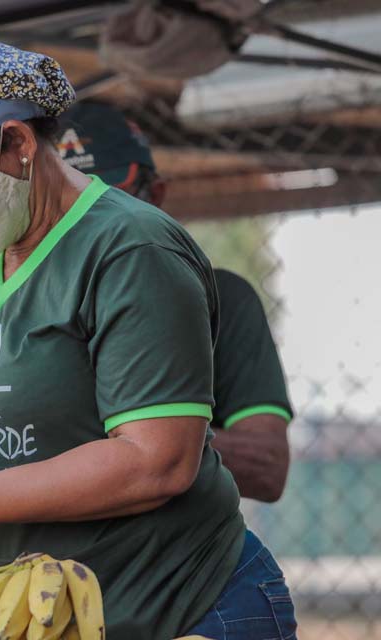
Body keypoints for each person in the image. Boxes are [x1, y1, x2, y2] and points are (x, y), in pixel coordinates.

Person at [0, 39, 297, 639]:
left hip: (178, 612)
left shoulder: (130, 250)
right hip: (38, 619)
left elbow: (156, 461)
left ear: (17, 142)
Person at [57, 100, 293, 502]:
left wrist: (152, 435)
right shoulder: (12, 301)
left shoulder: (219, 297)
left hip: (173, 552)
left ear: (157, 195)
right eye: (68, 206)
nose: (89, 225)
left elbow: (267, 468)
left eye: (110, 203)